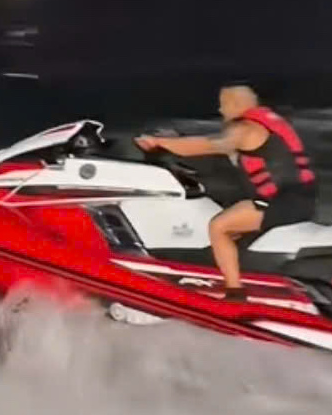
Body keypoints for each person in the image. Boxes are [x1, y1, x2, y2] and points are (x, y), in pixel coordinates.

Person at [135, 84, 316, 300]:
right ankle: (237, 272)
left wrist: (158, 142)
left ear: (236, 105)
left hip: (281, 202)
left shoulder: (244, 129)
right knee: (232, 217)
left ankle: (234, 293)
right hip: (301, 196)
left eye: (223, 105)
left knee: (219, 227)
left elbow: (210, 145)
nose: (221, 111)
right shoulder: (271, 121)